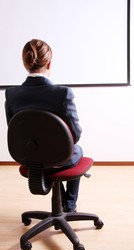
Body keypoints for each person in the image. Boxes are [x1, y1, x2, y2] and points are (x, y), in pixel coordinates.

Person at [5, 38, 83, 212]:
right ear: (49, 64)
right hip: (60, 158)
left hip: (29, 158)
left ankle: (63, 203)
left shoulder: (11, 94)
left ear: (25, 63)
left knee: (50, 154)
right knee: (78, 150)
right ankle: (69, 205)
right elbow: (75, 135)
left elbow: (14, 131)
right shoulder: (62, 93)